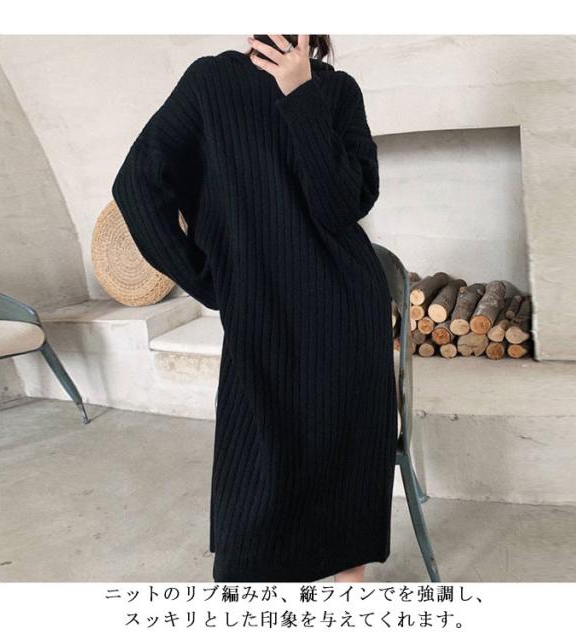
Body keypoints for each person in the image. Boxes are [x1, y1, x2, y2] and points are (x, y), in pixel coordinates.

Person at [112, 34, 397, 583]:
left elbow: (342, 206)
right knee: (254, 485)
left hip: (345, 311)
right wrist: (211, 282)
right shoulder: (210, 81)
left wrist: (300, 93)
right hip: (262, 315)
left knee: (346, 466)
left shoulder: (337, 91)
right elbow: (136, 187)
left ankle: (348, 589)